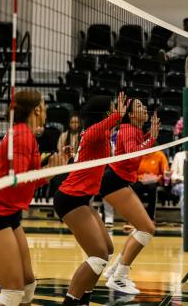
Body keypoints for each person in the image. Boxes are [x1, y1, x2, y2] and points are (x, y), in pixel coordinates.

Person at [0, 90, 68, 306]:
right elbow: (20, 181)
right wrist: (47, 170)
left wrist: (54, 167)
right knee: (13, 291)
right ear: (37, 109)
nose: (46, 110)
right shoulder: (22, 136)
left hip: (9, 214)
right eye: (44, 105)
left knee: (27, 284)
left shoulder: (27, 135)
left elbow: (31, 180)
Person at [54, 93, 127, 305]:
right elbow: (105, 126)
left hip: (79, 198)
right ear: (104, 113)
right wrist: (118, 116)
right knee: (98, 255)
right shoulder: (96, 131)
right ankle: (71, 301)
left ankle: (85, 298)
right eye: (112, 107)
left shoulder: (96, 134)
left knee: (107, 250)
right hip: (70, 199)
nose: (115, 110)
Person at [100, 99, 160, 294]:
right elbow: (133, 155)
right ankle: (119, 277)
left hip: (118, 181)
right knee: (147, 229)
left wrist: (149, 135)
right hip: (114, 182)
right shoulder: (126, 130)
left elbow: (134, 146)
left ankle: (115, 271)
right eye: (140, 107)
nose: (145, 110)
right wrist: (151, 140)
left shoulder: (131, 130)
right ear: (132, 115)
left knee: (141, 228)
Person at [132, 150, 169, 222]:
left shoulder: (160, 155)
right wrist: (140, 178)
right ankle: (136, 216)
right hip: (140, 180)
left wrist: (158, 178)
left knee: (152, 188)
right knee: (134, 188)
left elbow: (165, 171)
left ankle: (150, 216)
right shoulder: (138, 155)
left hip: (155, 181)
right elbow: (133, 171)